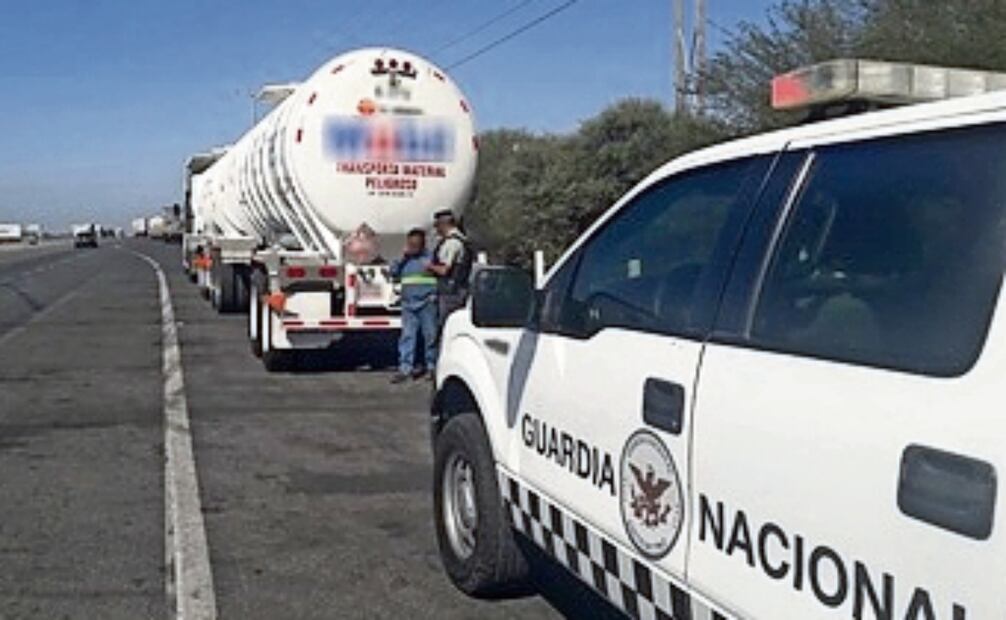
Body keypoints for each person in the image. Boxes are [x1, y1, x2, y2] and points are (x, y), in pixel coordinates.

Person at [388, 228, 438, 383]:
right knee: (407, 337)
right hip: (408, 304)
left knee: (430, 336)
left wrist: (433, 296)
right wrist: (403, 258)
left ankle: (431, 367)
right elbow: (393, 272)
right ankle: (405, 368)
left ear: (423, 244)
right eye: (411, 243)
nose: (413, 246)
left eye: (416, 244)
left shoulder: (431, 259)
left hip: (426, 303)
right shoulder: (404, 261)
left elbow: (442, 275)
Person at [427, 209, 473, 331]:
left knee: (446, 327)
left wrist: (428, 266)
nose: (436, 229)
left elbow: (444, 270)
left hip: (451, 293)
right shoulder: (458, 240)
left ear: (444, 224)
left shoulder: (452, 243)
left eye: (437, 225)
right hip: (455, 291)